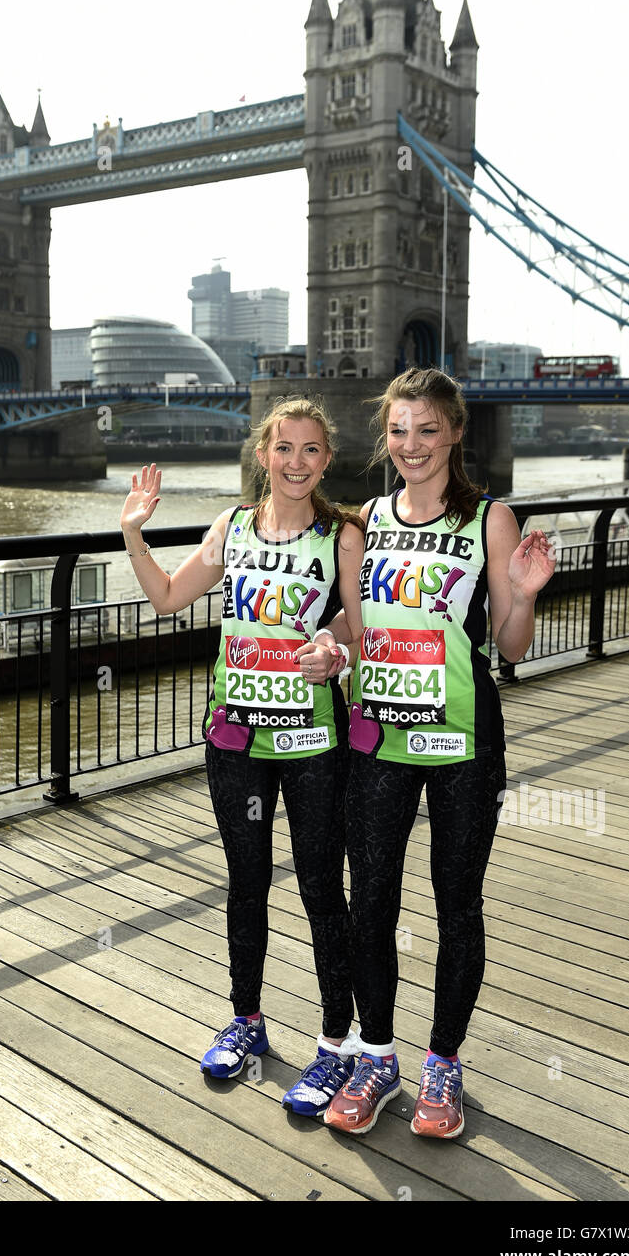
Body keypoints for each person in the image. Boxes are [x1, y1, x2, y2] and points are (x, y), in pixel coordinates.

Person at [301, 367, 555, 1138]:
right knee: (368, 900)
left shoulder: (489, 522)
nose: (410, 445)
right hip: (376, 737)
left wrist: (525, 592)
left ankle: (441, 1065)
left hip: (461, 740)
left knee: (456, 905)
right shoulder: (363, 521)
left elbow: (509, 646)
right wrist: (327, 648)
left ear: (453, 434)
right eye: (398, 429)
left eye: (427, 430)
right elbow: (354, 624)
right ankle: (375, 1057)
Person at [118, 397, 365, 1116]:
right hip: (235, 737)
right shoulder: (229, 528)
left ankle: (334, 1046)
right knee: (245, 883)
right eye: (283, 448)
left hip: (313, 737)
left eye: (310, 450)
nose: (295, 462)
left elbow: (359, 620)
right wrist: (134, 534)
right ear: (262, 456)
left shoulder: (342, 535)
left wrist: (336, 649)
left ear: (325, 458)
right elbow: (165, 598)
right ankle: (247, 1021)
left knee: (321, 889)